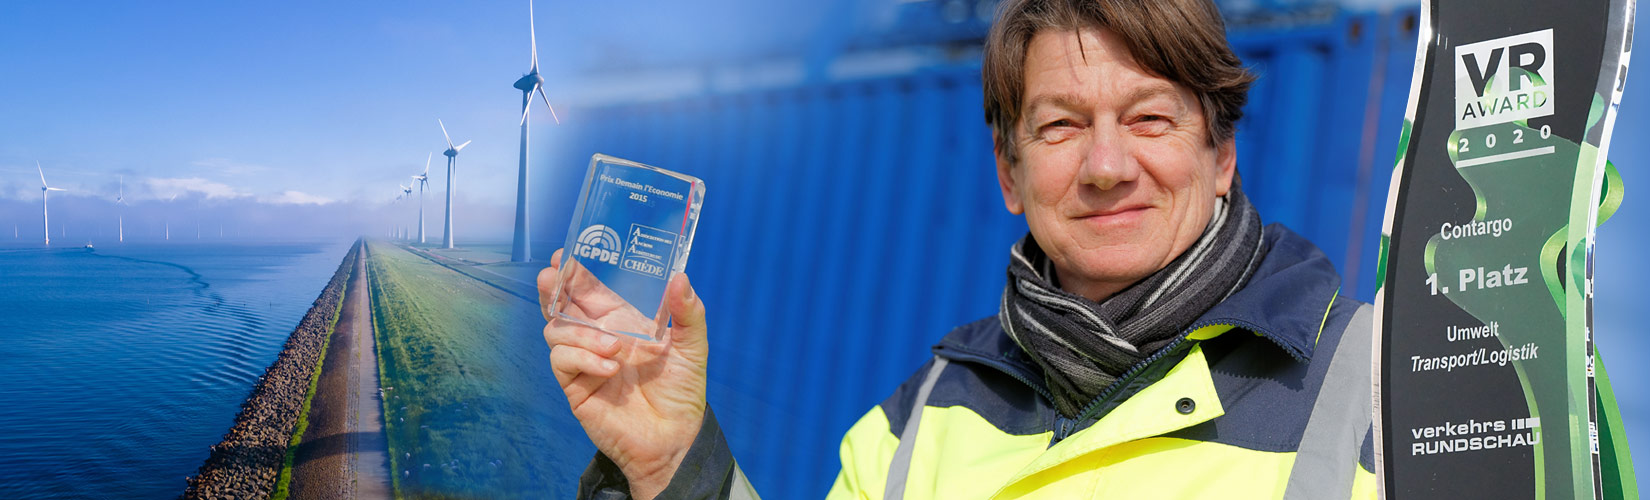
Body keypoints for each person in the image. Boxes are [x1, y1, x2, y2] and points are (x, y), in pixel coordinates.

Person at [540, 0, 1632, 498]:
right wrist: (668, 462)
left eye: (1151, 118)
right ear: (1010, 176)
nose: (1106, 166)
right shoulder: (912, 425)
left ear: (1221, 156)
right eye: (1061, 127)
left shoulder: (1399, 391)